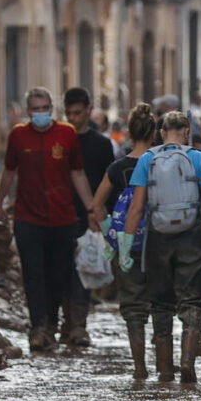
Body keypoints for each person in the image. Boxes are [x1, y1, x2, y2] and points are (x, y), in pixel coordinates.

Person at [119, 110, 201, 384]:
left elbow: (136, 208)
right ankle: (187, 361)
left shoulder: (147, 160)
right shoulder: (198, 158)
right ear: (187, 132)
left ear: (160, 132)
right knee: (192, 300)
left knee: (161, 302)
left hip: (158, 237)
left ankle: (165, 369)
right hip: (192, 235)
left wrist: (125, 245)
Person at [0, 87, 96, 353]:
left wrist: (91, 208)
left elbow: (77, 174)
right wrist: (0, 202)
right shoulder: (18, 136)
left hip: (62, 218)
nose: (40, 114)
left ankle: (53, 324)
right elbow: (9, 171)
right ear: (28, 111)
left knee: (58, 275)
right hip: (28, 217)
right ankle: (38, 328)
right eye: (35, 109)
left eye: (45, 109)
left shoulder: (66, 134)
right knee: (32, 275)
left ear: (51, 109)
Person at [90, 103, 160, 380]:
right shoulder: (161, 163)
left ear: (129, 132)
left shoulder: (118, 168)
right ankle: (166, 366)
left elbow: (97, 205)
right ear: (155, 133)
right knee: (161, 304)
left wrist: (111, 235)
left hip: (126, 246)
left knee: (133, 307)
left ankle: (140, 366)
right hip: (160, 243)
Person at [60, 87, 116, 348]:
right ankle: (65, 321)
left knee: (83, 269)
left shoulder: (101, 144)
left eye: (78, 112)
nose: (74, 118)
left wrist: (105, 216)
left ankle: (78, 325)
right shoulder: (59, 141)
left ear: (89, 110)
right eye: (69, 113)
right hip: (60, 214)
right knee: (61, 270)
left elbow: (110, 181)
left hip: (89, 217)